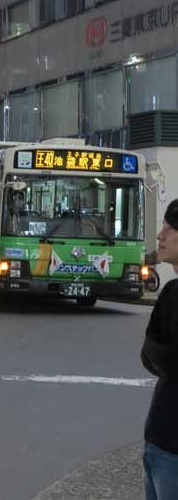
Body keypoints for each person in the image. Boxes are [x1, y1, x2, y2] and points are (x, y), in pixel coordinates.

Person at [141, 199, 178, 500]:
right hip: (157, 441)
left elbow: (167, 358)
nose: (160, 236)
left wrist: (162, 354)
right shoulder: (171, 290)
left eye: (169, 228)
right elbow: (149, 352)